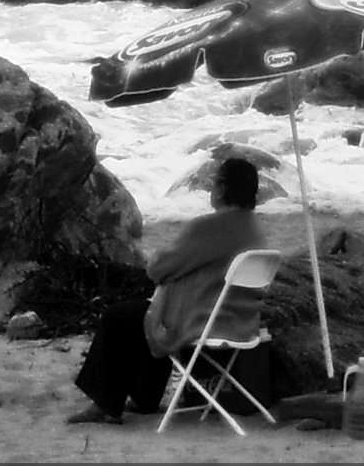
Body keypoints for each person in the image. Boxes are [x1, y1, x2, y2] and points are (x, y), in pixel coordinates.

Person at [66, 157, 270, 424]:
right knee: (148, 312)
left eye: (213, 183)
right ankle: (145, 399)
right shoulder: (255, 230)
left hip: (203, 321)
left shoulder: (208, 228)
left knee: (120, 316)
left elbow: (157, 268)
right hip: (241, 323)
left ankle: (105, 405)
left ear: (221, 189)